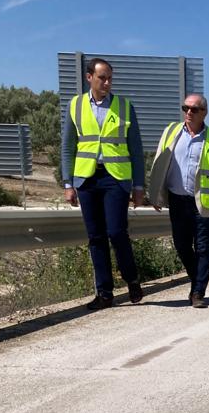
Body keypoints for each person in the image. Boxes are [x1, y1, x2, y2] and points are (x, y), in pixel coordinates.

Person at [61, 57, 147, 310]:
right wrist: (68, 183)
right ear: (90, 77)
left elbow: (136, 148)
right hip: (86, 178)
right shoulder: (75, 105)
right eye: (102, 77)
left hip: (116, 178)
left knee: (116, 233)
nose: (107, 82)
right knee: (95, 237)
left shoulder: (124, 106)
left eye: (110, 77)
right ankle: (105, 293)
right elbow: (67, 147)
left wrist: (139, 186)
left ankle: (131, 279)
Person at [148, 94, 209, 308]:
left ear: (204, 113)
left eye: (194, 109)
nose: (188, 113)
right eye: (186, 108)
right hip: (177, 199)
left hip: (204, 201)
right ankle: (197, 279)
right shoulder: (171, 132)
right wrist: (154, 193)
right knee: (181, 245)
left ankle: (198, 293)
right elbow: (159, 161)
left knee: (203, 248)